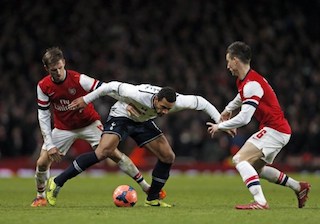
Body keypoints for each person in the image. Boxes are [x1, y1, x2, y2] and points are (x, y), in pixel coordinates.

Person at [46, 81, 231, 207]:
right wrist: (85, 100)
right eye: (163, 107)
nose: (166, 112)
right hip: (122, 116)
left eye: (169, 109)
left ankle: (152, 198)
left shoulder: (178, 101)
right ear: (156, 99)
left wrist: (220, 122)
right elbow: (109, 86)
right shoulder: (136, 93)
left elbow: (203, 102)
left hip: (143, 121)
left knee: (168, 156)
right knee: (103, 152)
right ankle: (57, 181)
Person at [32, 47, 158, 207]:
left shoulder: (79, 79)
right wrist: (49, 145)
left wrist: (127, 103)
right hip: (63, 128)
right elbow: (43, 115)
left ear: (64, 63)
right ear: (46, 69)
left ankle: (146, 187)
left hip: (89, 124)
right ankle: (40, 196)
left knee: (114, 153)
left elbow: (107, 89)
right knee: (42, 162)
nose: (57, 72)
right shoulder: (43, 86)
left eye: (59, 68)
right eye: (53, 70)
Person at [206, 41, 311, 210]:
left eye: (228, 61)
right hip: (276, 129)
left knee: (239, 159)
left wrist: (220, 127)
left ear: (236, 60)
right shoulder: (247, 80)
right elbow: (241, 97)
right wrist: (227, 110)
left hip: (275, 130)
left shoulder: (251, 84)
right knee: (255, 169)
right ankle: (299, 187)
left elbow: (245, 118)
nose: (227, 66)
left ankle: (261, 202)